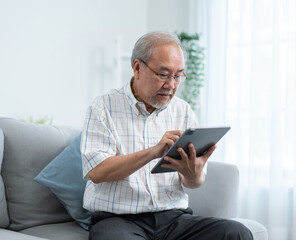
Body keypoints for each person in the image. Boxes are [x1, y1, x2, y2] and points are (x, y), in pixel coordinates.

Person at [81, 32, 253, 240]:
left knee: (237, 233)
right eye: (163, 74)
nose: (171, 85)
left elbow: (193, 183)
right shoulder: (103, 107)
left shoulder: (184, 111)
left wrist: (193, 174)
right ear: (137, 68)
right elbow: (96, 172)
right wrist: (153, 152)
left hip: (174, 219)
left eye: (178, 75)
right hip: (118, 219)